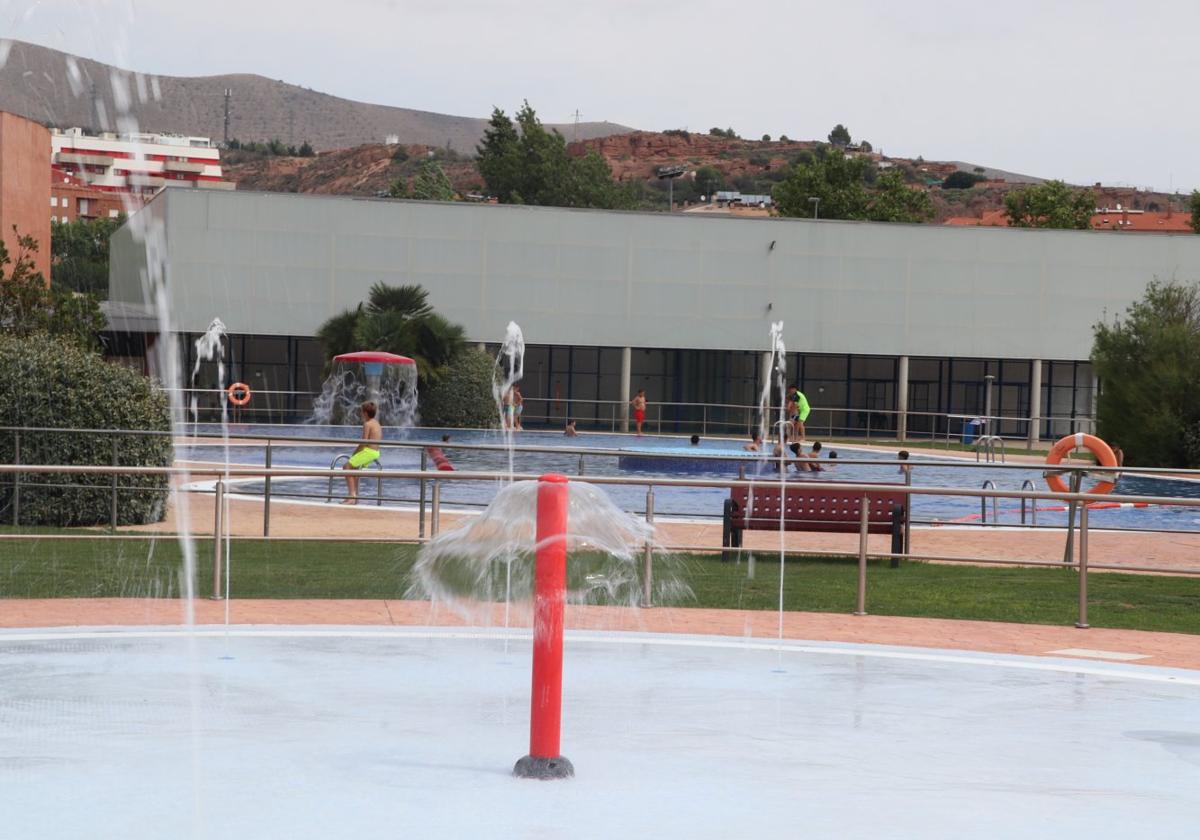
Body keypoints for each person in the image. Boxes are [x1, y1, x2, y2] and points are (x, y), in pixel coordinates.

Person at [342, 401, 382, 504]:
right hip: (375, 452)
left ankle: (352, 496)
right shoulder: (376, 423)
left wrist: (355, 453)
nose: (360, 414)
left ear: (365, 413)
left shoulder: (367, 424)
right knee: (354, 469)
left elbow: (363, 442)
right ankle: (355, 496)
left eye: (361, 412)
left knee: (346, 467)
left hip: (369, 451)